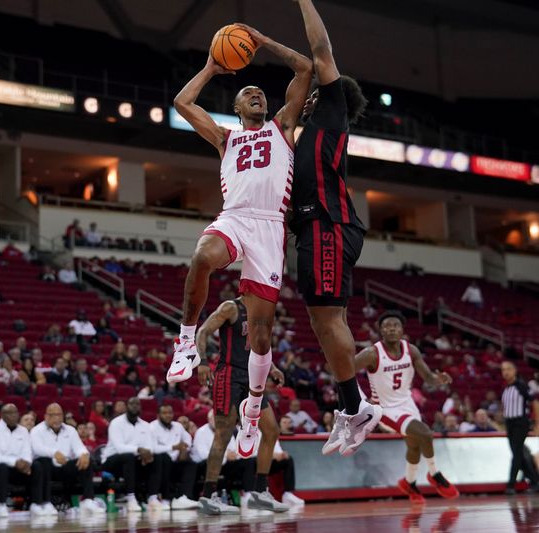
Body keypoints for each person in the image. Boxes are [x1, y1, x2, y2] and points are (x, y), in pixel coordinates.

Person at [168, 22, 312, 459]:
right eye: (248, 92)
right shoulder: (225, 138)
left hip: (270, 227)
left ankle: (252, 408)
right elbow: (182, 102)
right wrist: (213, 66)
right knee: (201, 257)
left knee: (262, 336)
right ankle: (186, 341)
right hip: (234, 218)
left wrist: (265, 42)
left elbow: (305, 68)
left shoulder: (283, 127)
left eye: (261, 93)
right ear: (235, 105)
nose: (257, 95)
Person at [290, 0, 379, 457]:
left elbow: (319, 51)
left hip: (328, 222)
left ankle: (355, 405)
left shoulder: (331, 110)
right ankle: (352, 405)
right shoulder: (306, 132)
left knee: (325, 320)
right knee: (326, 322)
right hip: (315, 228)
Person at [195, 298, 290, 513]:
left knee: (272, 430)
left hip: (252, 376)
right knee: (223, 434)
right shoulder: (231, 307)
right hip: (228, 375)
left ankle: (259, 492)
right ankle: (208, 496)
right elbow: (202, 332)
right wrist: (201, 362)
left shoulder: (260, 310)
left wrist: (272, 367)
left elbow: (258, 346)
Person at [354, 311, 458, 502]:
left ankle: (408, 483)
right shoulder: (371, 353)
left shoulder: (412, 350)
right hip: (384, 408)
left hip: (407, 403)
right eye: (387, 325)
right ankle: (435, 475)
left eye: (395, 325)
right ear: (380, 330)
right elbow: (345, 371)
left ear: (402, 329)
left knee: (415, 445)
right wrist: (359, 399)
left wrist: (438, 380)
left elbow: (428, 377)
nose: (391, 328)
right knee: (425, 434)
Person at [30, 403, 105, 516]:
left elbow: (79, 448)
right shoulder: (37, 430)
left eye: (59, 415)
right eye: (52, 415)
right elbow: (37, 449)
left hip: (65, 467)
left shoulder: (70, 430)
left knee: (86, 460)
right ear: (46, 416)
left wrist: (84, 454)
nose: (56, 418)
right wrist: (54, 453)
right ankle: (45, 503)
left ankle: (87, 500)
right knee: (43, 461)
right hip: (47, 468)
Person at [100, 397, 161, 512]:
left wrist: (147, 454)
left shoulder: (145, 425)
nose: (134, 406)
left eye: (137, 404)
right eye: (131, 404)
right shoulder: (116, 423)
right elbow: (119, 448)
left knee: (156, 457)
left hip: (134, 460)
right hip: (111, 461)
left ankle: (153, 498)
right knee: (128, 457)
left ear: (140, 407)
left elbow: (150, 445)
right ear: (126, 406)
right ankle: (131, 498)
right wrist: (139, 450)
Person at [500, 361, 539, 495]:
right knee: (518, 454)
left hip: (520, 422)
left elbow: (535, 403)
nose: (506, 372)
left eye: (508, 369)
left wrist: (538, 424)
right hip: (509, 423)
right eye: (503, 370)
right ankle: (536, 480)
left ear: (515, 370)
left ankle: (511, 484)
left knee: (517, 454)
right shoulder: (505, 388)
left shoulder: (521, 385)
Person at [0, 404, 33, 519]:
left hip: (20, 469)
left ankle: (37, 503)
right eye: (9, 413)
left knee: (37, 466)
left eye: (15, 413)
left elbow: (28, 451)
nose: (13, 416)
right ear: (2, 415)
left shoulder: (23, 431)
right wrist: (15, 461)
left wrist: (27, 463)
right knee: (2, 467)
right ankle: (1, 505)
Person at [149, 404, 198, 510]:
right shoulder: (152, 427)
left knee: (191, 464)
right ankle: (165, 498)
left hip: (175, 461)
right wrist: (173, 447)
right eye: (164, 413)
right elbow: (153, 448)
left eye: (170, 413)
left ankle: (184, 497)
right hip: (159, 463)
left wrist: (185, 449)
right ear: (158, 415)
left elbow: (188, 438)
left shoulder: (178, 426)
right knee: (164, 458)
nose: (168, 415)